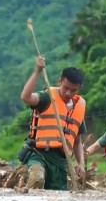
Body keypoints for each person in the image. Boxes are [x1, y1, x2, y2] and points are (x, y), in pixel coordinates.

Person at [18, 56, 86, 190]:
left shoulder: (78, 108)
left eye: (73, 90)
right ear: (59, 81)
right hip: (40, 155)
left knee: (57, 198)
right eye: (65, 88)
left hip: (61, 163)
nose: (68, 93)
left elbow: (77, 141)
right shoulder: (47, 98)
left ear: (79, 88)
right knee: (37, 179)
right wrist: (37, 71)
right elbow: (25, 97)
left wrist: (81, 164)